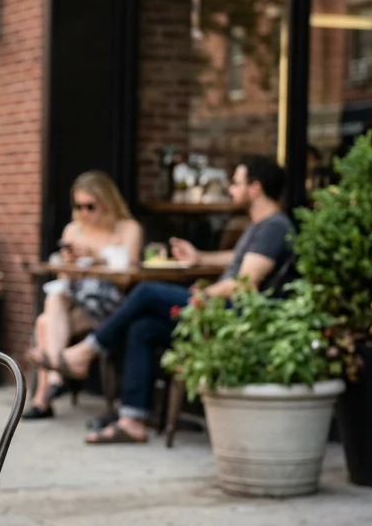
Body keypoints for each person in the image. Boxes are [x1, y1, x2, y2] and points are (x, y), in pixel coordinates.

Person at [56, 155, 295, 444]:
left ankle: (88, 349)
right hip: (221, 310)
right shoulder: (259, 226)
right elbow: (238, 260)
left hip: (234, 316)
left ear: (255, 188)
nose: (231, 189)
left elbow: (244, 284)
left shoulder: (273, 227)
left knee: (145, 291)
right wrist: (200, 257)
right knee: (142, 327)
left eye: (236, 182)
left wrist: (200, 296)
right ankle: (132, 420)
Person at [23, 171, 143, 419]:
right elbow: (65, 279)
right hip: (76, 298)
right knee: (54, 300)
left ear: (107, 201)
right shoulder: (73, 230)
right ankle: (57, 370)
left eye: (90, 206)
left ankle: (43, 398)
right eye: (79, 206)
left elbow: (126, 275)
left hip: (111, 303)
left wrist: (95, 255)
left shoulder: (128, 228)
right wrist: (70, 263)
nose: (85, 212)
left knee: (44, 322)